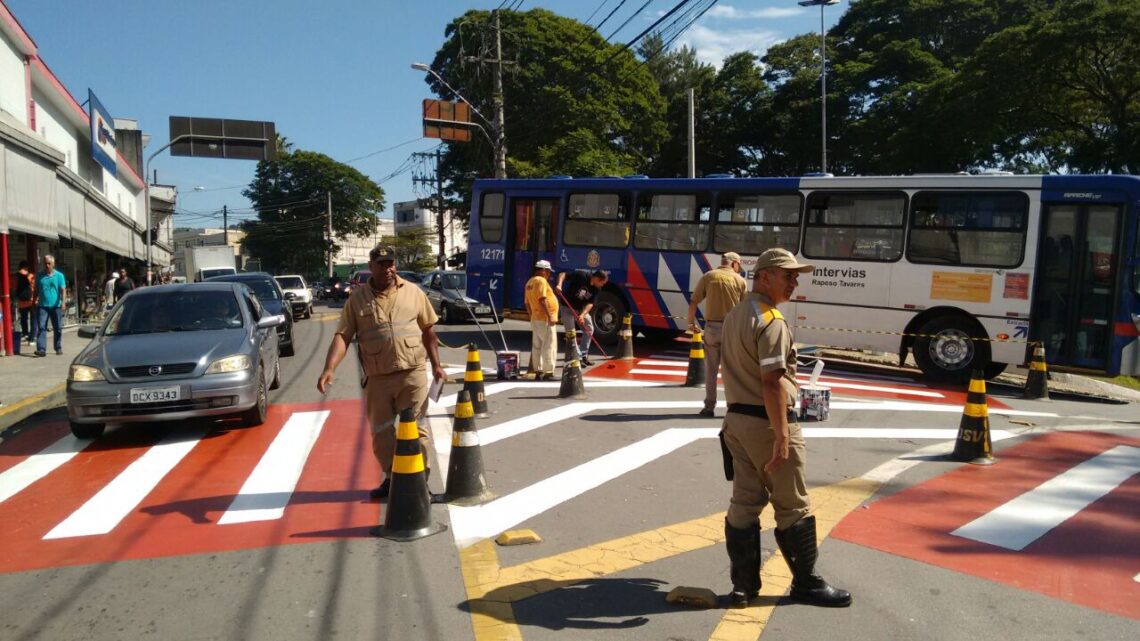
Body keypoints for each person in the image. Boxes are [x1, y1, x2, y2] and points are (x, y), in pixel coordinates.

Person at [718, 247, 851, 608]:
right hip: (767, 422)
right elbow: (773, 382)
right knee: (793, 505)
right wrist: (781, 436)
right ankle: (807, 584)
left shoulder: (735, 315)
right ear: (764, 276)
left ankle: (743, 587)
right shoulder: (771, 320)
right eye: (788, 275)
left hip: (736, 422)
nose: (794, 282)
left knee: (744, 503)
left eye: (796, 276)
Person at [316, 245, 446, 499]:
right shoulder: (357, 299)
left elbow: (429, 332)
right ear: (371, 267)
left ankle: (420, 480)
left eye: (391, 264)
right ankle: (392, 477)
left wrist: (437, 365)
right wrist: (329, 368)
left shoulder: (413, 292)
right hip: (377, 378)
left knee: (417, 430)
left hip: (412, 373)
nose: (388, 269)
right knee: (381, 432)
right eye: (382, 264)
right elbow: (343, 336)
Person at [686, 251, 747, 417]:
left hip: (712, 328)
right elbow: (745, 309)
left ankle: (709, 407)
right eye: (739, 264)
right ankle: (732, 407)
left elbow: (694, 302)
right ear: (734, 263)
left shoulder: (709, 276)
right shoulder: (740, 281)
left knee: (711, 370)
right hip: (732, 330)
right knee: (731, 372)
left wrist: (691, 323)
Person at [555, 269, 609, 366]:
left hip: (580, 309)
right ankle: (577, 357)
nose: (602, 285)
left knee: (589, 328)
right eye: (602, 283)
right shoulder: (581, 275)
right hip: (567, 307)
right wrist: (559, 284)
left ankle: (583, 355)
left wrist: (582, 315)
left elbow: (590, 303)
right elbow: (563, 274)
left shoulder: (597, 289)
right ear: (597, 279)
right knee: (571, 333)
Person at [524, 259, 559, 380]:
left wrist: (531, 315)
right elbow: (542, 299)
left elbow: (527, 303)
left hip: (535, 318)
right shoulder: (542, 281)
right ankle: (548, 371)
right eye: (548, 272)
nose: (549, 274)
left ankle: (538, 370)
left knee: (537, 345)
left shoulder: (529, 282)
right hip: (544, 319)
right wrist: (550, 316)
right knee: (549, 345)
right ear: (543, 271)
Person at [33, 254, 68, 357]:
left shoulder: (59, 276)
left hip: (56, 306)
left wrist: (63, 302)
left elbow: (63, 290)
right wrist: (34, 300)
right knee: (42, 327)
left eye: (49, 263)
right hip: (42, 306)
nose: (47, 265)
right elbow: (36, 290)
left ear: (53, 264)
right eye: (45, 263)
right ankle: (41, 349)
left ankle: (58, 347)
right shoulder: (39, 275)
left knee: (57, 328)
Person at [14, 260, 36, 346]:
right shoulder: (30, 276)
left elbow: (14, 287)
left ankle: (25, 334)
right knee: (33, 320)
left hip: (21, 301)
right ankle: (32, 338)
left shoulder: (16, 276)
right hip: (31, 300)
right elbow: (34, 287)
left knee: (23, 318)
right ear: (26, 267)